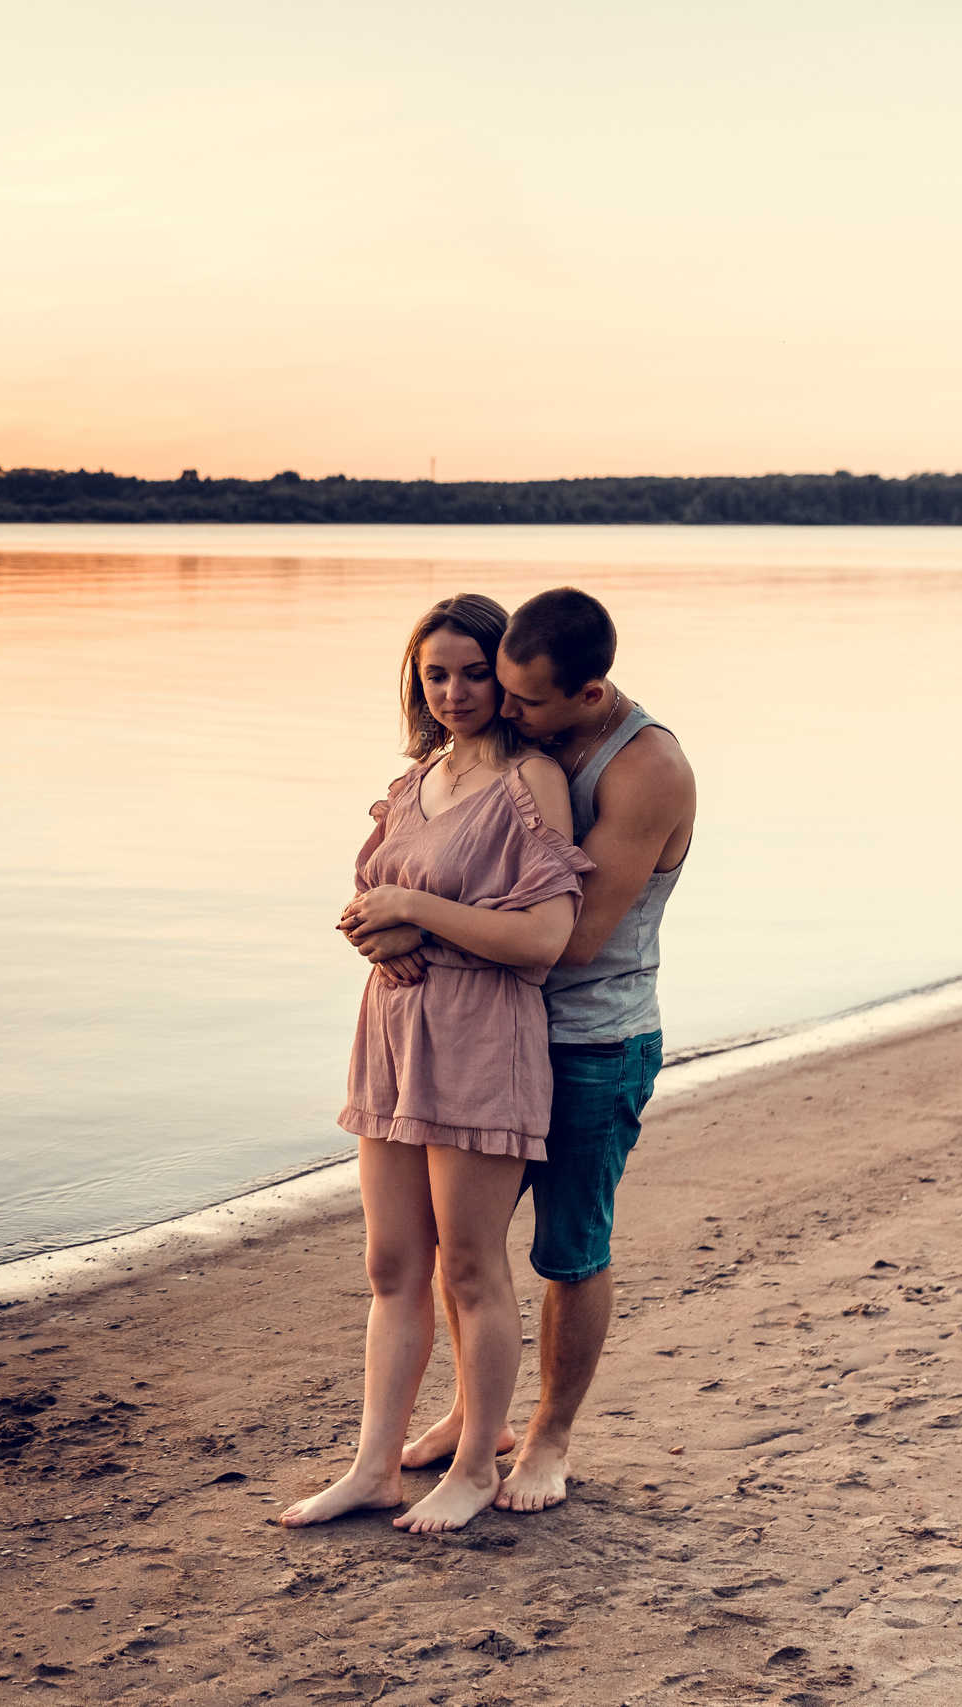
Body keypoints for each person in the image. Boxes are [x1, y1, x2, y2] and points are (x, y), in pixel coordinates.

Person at [280, 594, 593, 1535]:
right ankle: (373, 1466)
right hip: (391, 1033)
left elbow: (545, 935)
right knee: (390, 1264)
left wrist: (419, 917)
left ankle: (471, 1466)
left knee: (468, 1266)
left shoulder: (531, 781)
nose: (454, 691)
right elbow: (366, 896)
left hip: (480, 1036)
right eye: (435, 674)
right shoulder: (417, 780)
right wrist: (374, 933)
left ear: (505, 674)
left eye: (471, 671)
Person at [385, 587, 698, 1512]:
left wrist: (415, 923)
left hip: (591, 1041)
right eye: (497, 688)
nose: (504, 712)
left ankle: (550, 1437)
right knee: (460, 1249)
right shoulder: (525, 746)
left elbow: (571, 939)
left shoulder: (645, 771)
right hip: (492, 1032)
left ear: (590, 693)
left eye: (524, 702)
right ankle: (472, 1417)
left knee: (569, 1250)